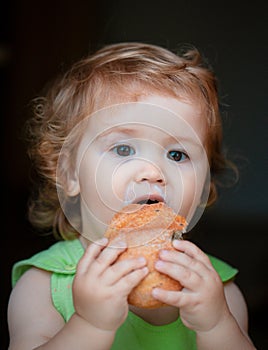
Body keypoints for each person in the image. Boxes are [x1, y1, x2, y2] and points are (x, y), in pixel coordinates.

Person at [7, 42, 256, 350]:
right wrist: (90, 325)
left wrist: (217, 326)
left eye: (177, 154)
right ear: (69, 173)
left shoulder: (219, 292)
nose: (153, 172)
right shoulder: (43, 286)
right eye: (123, 149)